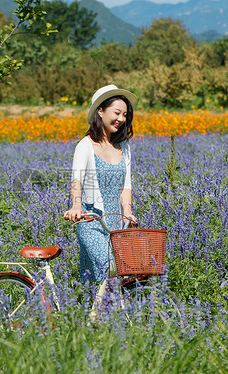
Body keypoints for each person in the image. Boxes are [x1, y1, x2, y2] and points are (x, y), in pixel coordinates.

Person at [64, 84, 138, 282]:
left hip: (118, 224)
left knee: (106, 282)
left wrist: (128, 212)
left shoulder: (124, 147)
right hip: (92, 222)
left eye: (125, 115)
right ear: (100, 111)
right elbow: (76, 180)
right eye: (117, 112)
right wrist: (76, 205)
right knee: (111, 271)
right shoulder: (86, 145)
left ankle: (98, 313)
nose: (121, 119)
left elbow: (126, 186)